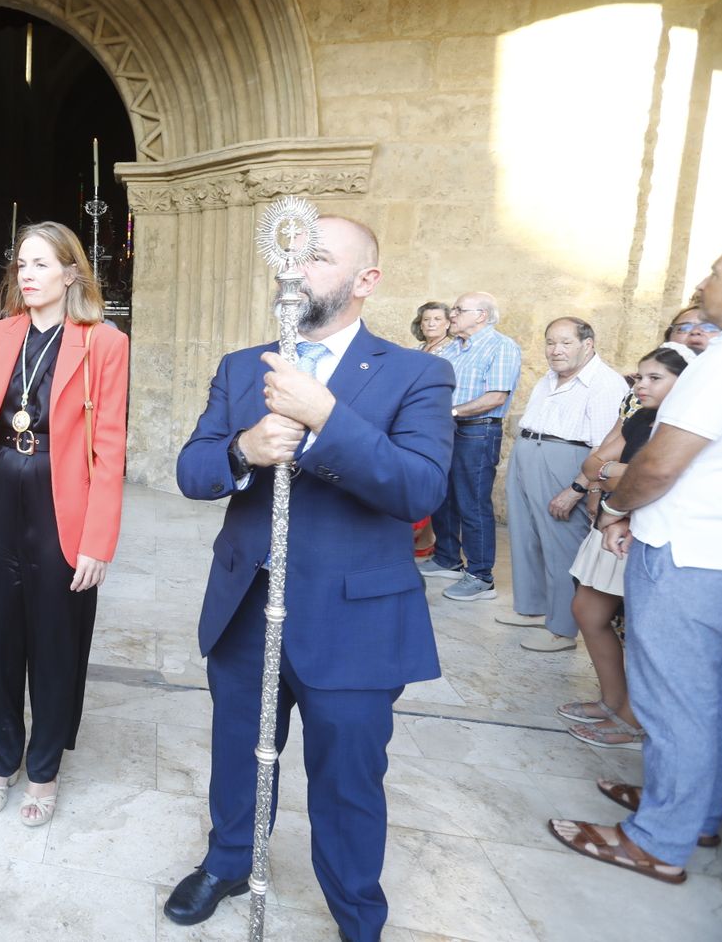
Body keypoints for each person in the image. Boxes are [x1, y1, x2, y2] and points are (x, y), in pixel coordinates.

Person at [165, 216, 454, 939]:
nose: (295, 271)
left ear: (366, 282)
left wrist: (325, 417)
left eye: (318, 257)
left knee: (348, 779)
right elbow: (192, 472)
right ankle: (230, 860)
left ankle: (356, 909)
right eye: (290, 255)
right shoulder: (242, 367)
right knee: (237, 756)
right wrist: (242, 449)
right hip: (246, 604)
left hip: (354, 618)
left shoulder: (416, 373)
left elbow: (419, 489)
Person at [551, 236, 722, 884]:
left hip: (693, 550)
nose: (704, 283)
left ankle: (659, 838)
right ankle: (695, 812)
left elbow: (662, 461)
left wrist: (618, 508)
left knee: (675, 694)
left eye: (716, 272)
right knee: (719, 689)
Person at [0, 222, 129, 825]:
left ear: (71, 273)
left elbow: (109, 449)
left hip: (59, 500)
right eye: (21, 264)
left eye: (40, 264)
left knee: (54, 639)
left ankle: (43, 768)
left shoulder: (103, 343)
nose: (27, 273)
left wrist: (98, 541)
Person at [560, 344, 692, 748]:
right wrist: (616, 474)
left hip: (646, 527)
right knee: (586, 608)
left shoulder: (684, 425)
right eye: (639, 376)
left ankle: (634, 718)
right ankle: (613, 701)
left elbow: (659, 477)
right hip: (615, 521)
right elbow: (594, 465)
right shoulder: (641, 419)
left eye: (655, 378)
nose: (641, 384)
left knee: (640, 631)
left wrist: (615, 476)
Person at [485, 317, 629, 650]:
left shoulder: (605, 383)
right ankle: (531, 607)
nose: (555, 350)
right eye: (550, 342)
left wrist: (577, 488)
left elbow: (605, 447)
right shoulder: (549, 378)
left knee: (561, 542)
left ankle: (563, 629)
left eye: (565, 342)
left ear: (587, 344)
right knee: (526, 535)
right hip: (528, 454)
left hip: (567, 460)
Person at [417, 292, 521, 599]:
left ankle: (480, 576)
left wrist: (451, 411)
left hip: (477, 432)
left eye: (459, 310)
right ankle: (447, 558)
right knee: (443, 496)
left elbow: (496, 397)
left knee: (472, 503)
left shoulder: (501, 346)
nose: (452, 315)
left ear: (481, 316)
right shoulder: (455, 349)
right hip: (448, 430)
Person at [408, 301, 450, 558]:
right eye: (426, 320)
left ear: (448, 323)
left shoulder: (454, 350)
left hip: (439, 419)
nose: (431, 324)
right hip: (416, 419)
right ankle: (421, 536)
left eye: (436, 319)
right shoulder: (415, 350)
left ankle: (429, 537)